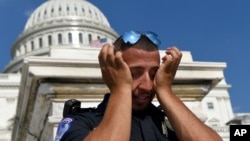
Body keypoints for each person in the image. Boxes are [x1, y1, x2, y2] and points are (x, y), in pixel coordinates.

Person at [55, 30, 222, 141]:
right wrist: (120, 89)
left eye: (153, 73)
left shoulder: (169, 122)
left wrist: (165, 90)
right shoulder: (83, 122)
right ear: (113, 71)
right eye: (135, 73)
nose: (147, 86)